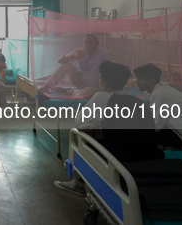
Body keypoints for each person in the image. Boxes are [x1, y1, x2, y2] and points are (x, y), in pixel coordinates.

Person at [54, 61, 163, 197]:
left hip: (118, 157)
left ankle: (79, 183)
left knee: (80, 137)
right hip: (144, 155)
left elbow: (80, 125)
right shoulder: (137, 102)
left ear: (103, 83)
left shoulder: (101, 97)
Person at [44, 34, 111, 98]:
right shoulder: (80, 52)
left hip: (95, 86)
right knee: (66, 66)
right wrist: (73, 56)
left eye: (90, 42)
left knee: (93, 92)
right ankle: (46, 86)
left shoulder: (104, 54)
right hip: (80, 82)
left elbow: (109, 72)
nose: (87, 44)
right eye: (85, 42)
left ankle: (68, 91)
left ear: (97, 44)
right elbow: (60, 61)